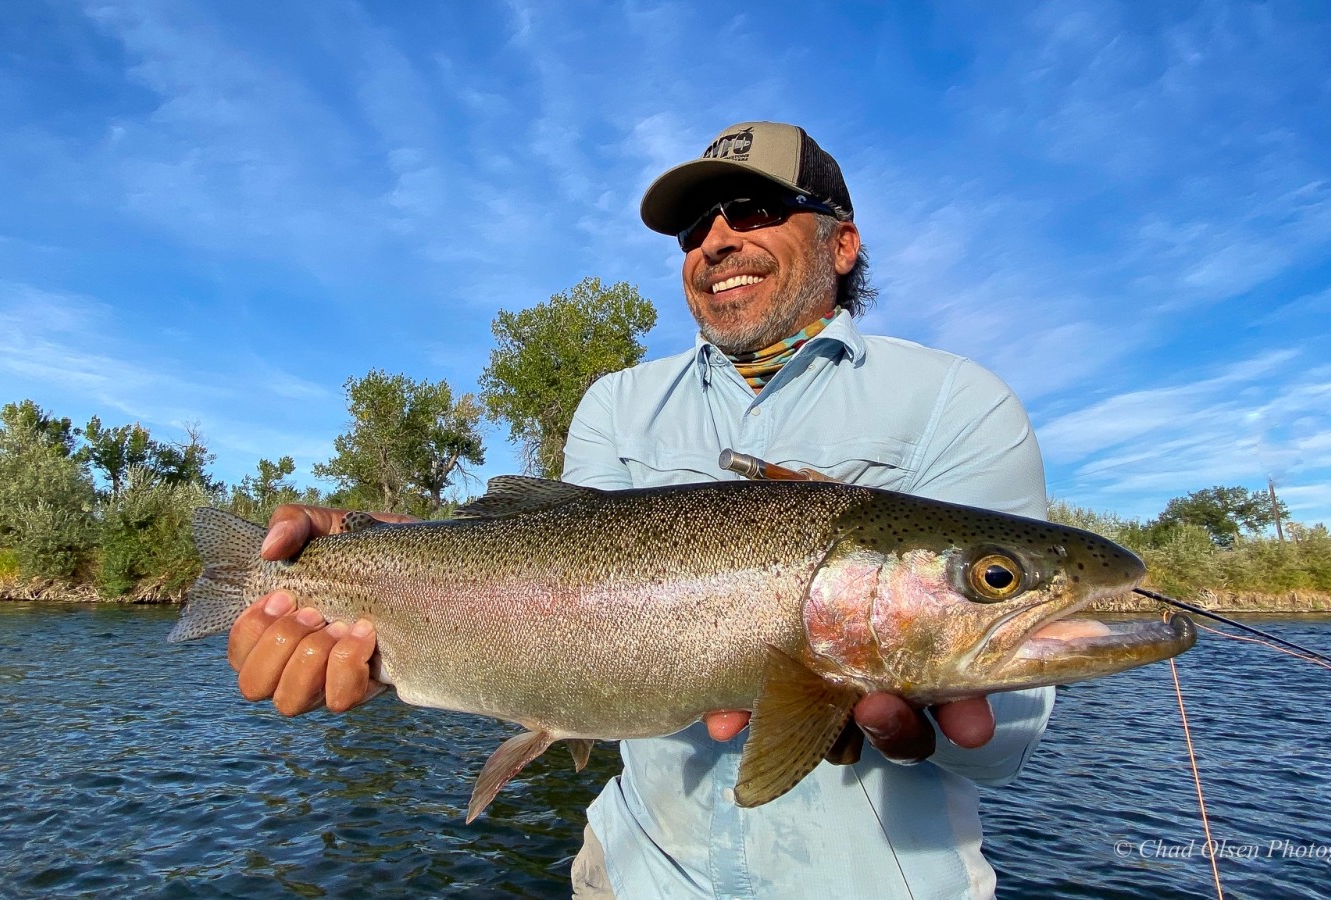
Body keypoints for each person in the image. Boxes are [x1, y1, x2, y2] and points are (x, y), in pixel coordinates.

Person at [227, 122, 1055, 899]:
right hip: (635, 875)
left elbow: (1005, 737)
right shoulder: (616, 405)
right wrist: (392, 584)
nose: (718, 238)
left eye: (757, 208)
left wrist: (911, 714)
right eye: (695, 225)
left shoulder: (959, 402)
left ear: (842, 242)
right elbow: (552, 587)